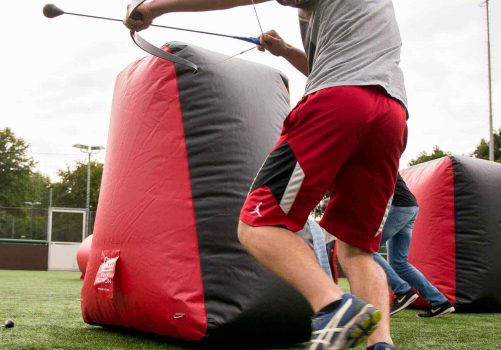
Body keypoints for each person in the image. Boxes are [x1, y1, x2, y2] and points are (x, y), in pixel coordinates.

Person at [125, 1, 408, 349]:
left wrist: (154, 7)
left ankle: (334, 307)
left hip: (338, 105)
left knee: (259, 225)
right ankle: (381, 345)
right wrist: (287, 50)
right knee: (357, 249)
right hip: (391, 115)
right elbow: (325, 66)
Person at [373, 174, 455, 318]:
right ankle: (440, 302)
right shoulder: (382, 154)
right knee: (399, 263)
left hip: (397, 207)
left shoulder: (369, 157)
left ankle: (402, 291)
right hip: (410, 207)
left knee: (365, 248)